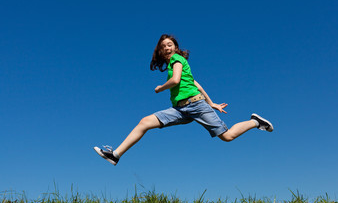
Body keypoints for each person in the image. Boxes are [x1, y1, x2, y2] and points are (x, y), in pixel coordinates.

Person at [94, 34, 273, 166]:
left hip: (195, 105)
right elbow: (197, 84)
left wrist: (160, 88)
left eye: (170, 44)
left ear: (176, 47)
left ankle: (255, 122)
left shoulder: (177, 60)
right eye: (163, 46)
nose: (167, 48)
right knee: (145, 122)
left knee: (227, 136)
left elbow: (176, 81)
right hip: (180, 109)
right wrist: (212, 103)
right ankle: (115, 155)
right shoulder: (176, 64)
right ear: (160, 51)